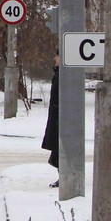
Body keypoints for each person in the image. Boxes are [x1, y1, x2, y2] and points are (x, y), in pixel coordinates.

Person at [41, 56, 60, 188]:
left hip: (62, 117)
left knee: (61, 147)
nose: (54, 58)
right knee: (58, 147)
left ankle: (65, 176)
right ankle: (63, 175)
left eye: (57, 56)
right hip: (57, 116)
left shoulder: (65, 75)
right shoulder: (59, 74)